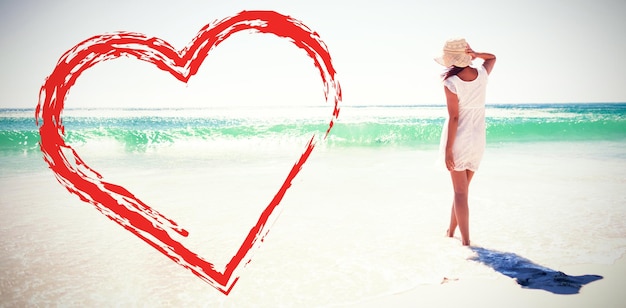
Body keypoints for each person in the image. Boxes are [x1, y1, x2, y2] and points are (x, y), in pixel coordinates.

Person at [435, 38, 496, 246]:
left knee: (460, 192)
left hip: (459, 138)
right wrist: (476, 54)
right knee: (462, 191)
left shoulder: (450, 82)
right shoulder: (481, 75)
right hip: (477, 137)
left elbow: (454, 118)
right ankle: (451, 231)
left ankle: (466, 242)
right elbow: (493, 57)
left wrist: (448, 150)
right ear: (466, 55)